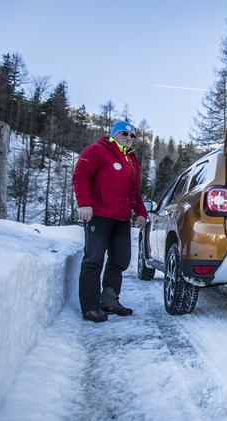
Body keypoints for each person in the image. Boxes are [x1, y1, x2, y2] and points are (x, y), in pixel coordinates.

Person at [72, 120, 147, 323]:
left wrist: (141, 212)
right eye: (125, 134)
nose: (129, 138)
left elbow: (134, 192)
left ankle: (109, 300)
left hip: (121, 219)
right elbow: (80, 175)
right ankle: (90, 306)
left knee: (119, 260)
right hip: (99, 215)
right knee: (94, 259)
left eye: (133, 136)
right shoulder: (97, 150)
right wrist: (85, 203)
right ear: (113, 134)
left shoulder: (132, 160)